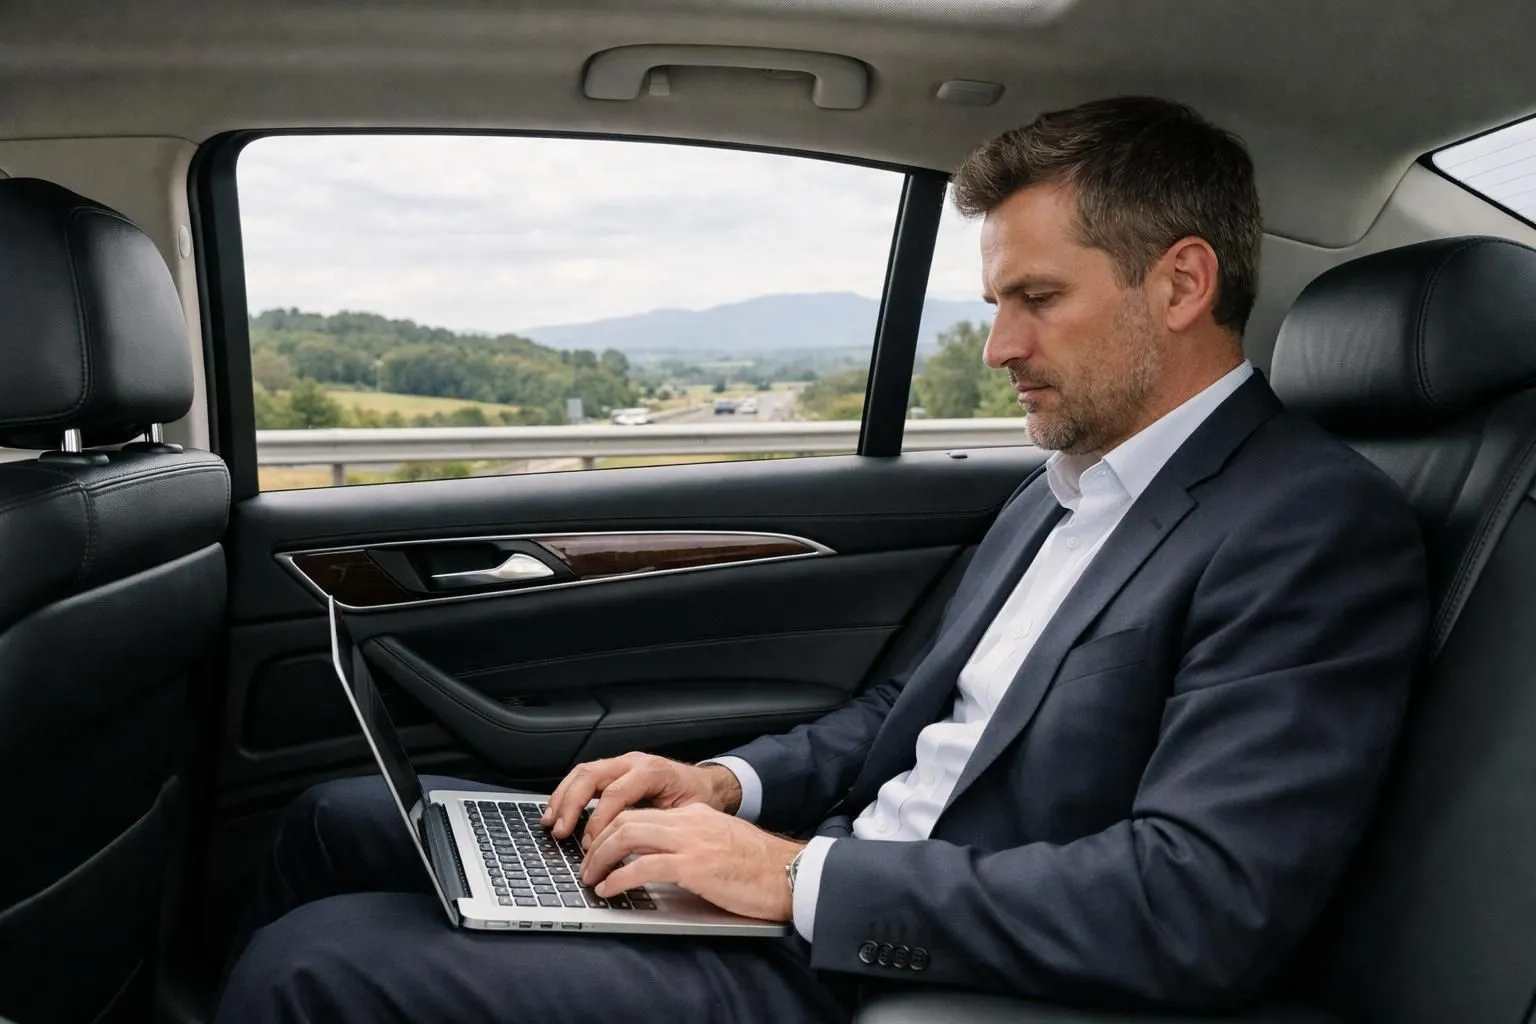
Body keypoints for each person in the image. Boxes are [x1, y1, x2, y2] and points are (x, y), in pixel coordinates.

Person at [215, 96, 1429, 1023]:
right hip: (821, 879)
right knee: (339, 825)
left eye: (1037, 297)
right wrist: (719, 789)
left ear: (1180, 283)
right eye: (995, 300)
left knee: (306, 965)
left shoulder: (1310, 529)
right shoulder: (1063, 489)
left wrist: (791, 876)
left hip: (877, 961)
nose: (999, 345)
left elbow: (1198, 902)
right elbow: (904, 714)